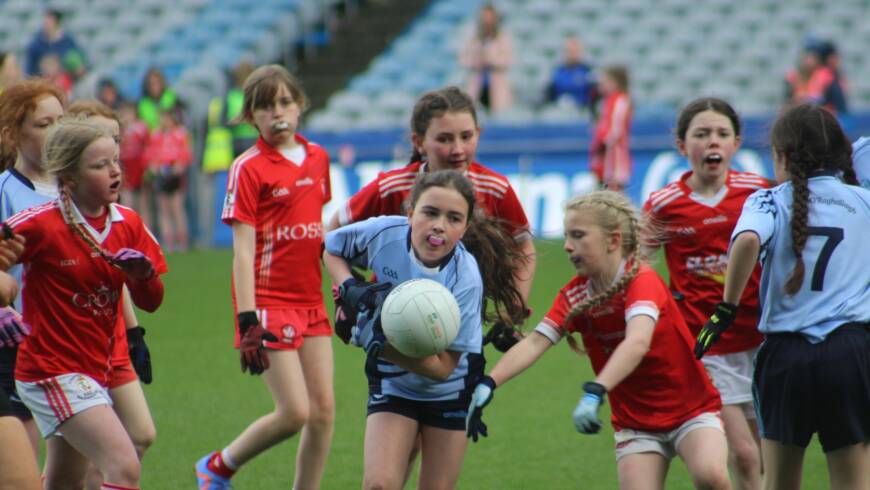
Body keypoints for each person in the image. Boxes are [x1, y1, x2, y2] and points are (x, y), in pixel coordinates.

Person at [467, 190, 731, 490]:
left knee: (711, 476)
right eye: (567, 236)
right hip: (636, 424)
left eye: (578, 236)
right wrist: (489, 383)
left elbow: (637, 342)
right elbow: (534, 343)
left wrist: (596, 390)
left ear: (613, 240)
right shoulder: (575, 294)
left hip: (691, 411)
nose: (567, 246)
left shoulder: (642, 280)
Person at [695, 104, 870, 490]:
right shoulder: (863, 200)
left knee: (778, 482)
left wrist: (727, 306)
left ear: (784, 156)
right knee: (853, 481)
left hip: (786, 356)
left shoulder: (768, 200)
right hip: (850, 352)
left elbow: (745, 241)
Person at [324, 169, 525, 490]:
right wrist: (348, 288)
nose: (439, 225)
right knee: (379, 484)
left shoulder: (466, 278)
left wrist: (379, 344)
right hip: (394, 384)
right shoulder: (384, 233)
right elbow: (332, 247)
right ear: (410, 213)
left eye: (453, 218)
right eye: (430, 212)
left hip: (450, 391)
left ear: (465, 227)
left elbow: (444, 368)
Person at [195, 64, 334, 490]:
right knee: (295, 412)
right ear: (250, 116)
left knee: (324, 412)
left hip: (311, 301)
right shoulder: (248, 168)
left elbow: (317, 229)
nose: (278, 113)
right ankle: (218, 466)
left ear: (301, 106)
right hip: (268, 302)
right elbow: (242, 250)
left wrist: (341, 283)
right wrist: (247, 318)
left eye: (285, 102)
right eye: (265, 106)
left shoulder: (318, 158)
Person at [8, 116, 167, 490]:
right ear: (69, 177)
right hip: (50, 370)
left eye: (116, 162)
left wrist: (143, 277)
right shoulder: (41, 224)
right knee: (124, 466)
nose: (114, 172)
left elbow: (153, 301)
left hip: (93, 370)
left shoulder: (128, 223)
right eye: (100, 166)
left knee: (65, 481)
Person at [326, 86, 535, 347]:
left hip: (460, 313)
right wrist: (345, 292)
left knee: (456, 379)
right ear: (419, 142)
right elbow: (334, 233)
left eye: (466, 136)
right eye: (445, 139)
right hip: (395, 314)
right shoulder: (393, 187)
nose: (458, 149)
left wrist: (516, 308)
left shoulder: (495, 189)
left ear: (478, 134)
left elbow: (523, 244)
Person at [644, 98, 766, 490]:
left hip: (763, 339)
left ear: (735, 144)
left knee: (766, 453)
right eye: (701, 134)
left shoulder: (759, 192)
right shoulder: (664, 204)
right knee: (744, 453)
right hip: (707, 343)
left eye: (721, 133)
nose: (712, 141)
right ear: (682, 146)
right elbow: (637, 266)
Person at [67, 100, 158, 490]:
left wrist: (135, 332)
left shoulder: (118, 214)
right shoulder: (53, 214)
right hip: (66, 345)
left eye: (115, 142)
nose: (111, 157)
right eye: (100, 142)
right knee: (80, 459)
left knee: (139, 435)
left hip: (112, 340)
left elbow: (115, 278)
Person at [0, 78, 65, 457]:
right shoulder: (5, 190)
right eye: (43, 124)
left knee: (80, 467)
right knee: (23, 461)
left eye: (61, 121)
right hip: (18, 342)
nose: (56, 132)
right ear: (13, 136)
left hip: (70, 341)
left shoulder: (74, 189)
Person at [146, 108, 191, 251]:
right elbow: (151, 154)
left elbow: (186, 153)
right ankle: (168, 242)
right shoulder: (156, 135)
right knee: (163, 208)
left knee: (177, 208)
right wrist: (154, 167)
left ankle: (182, 241)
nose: (164, 121)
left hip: (175, 175)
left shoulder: (180, 133)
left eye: (166, 118)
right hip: (161, 174)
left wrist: (179, 166)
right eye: (162, 118)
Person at [459, 3, 513, 112]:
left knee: (498, 111)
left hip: (496, 81)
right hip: (477, 80)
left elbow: (508, 59)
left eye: (489, 17)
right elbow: (463, 58)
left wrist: (491, 60)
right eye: (484, 17)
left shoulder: (502, 36)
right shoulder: (473, 37)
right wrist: (477, 61)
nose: (487, 20)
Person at [590, 65, 632, 191]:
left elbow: (616, 130)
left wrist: (603, 140)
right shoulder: (606, 101)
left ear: (615, 83)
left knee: (614, 195)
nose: (601, 85)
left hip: (614, 157)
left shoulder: (621, 100)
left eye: (605, 82)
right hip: (604, 157)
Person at [118, 101, 153, 229]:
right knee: (128, 202)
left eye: (129, 112)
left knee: (143, 202)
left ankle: (146, 231)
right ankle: (129, 230)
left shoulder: (141, 127)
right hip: (126, 166)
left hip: (140, 167)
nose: (127, 115)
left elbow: (148, 146)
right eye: (124, 113)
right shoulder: (119, 129)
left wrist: (148, 166)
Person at [546, 36, 597, 112]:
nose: (572, 54)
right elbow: (550, 95)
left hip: (583, 111)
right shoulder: (557, 71)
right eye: (569, 51)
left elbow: (594, 96)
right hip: (559, 112)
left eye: (575, 51)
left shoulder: (588, 71)